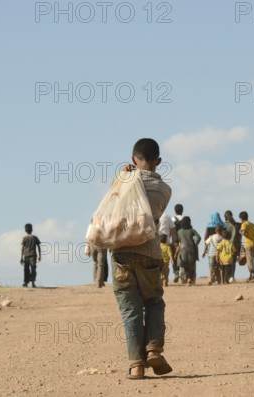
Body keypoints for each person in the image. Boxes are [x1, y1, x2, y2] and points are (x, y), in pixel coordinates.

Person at [110, 138, 172, 379]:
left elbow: (112, 206)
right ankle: (154, 349)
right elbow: (151, 216)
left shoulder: (122, 181)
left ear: (133, 159)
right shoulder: (165, 189)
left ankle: (136, 366)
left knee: (130, 310)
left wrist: (122, 176)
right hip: (150, 253)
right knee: (154, 302)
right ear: (158, 161)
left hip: (122, 253)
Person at [174, 216, 201, 286]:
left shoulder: (179, 232)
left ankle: (186, 279)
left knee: (184, 265)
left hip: (182, 250)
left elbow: (176, 241)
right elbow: (199, 237)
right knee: (191, 265)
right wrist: (195, 243)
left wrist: (178, 247)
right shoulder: (192, 230)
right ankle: (191, 280)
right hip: (191, 249)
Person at [239, 211, 254, 282]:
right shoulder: (252, 224)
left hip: (249, 244)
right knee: (251, 260)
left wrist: (241, 232)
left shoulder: (244, 224)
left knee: (249, 261)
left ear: (241, 218)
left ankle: (253, 276)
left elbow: (243, 232)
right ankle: (251, 276)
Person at [20, 223, 41, 287]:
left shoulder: (24, 238)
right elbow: (38, 247)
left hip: (26, 256)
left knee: (26, 269)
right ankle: (33, 283)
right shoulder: (35, 238)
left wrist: (21, 257)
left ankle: (26, 283)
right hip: (33, 255)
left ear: (25, 230)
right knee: (33, 269)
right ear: (32, 230)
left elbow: (22, 249)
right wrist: (40, 255)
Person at [224, 210, 241, 282]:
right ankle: (232, 276)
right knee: (233, 261)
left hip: (225, 245)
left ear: (225, 217)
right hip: (235, 245)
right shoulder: (237, 225)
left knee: (226, 261)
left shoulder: (223, 225)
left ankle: (226, 277)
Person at [171, 204, 184, 283]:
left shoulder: (172, 219)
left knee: (174, 258)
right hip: (183, 241)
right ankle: (182, 275)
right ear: (182, 210)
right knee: (182, 258)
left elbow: (171, 230)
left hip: (174, 241)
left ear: (175, 210)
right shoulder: (185, 219)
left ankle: (176, 273)